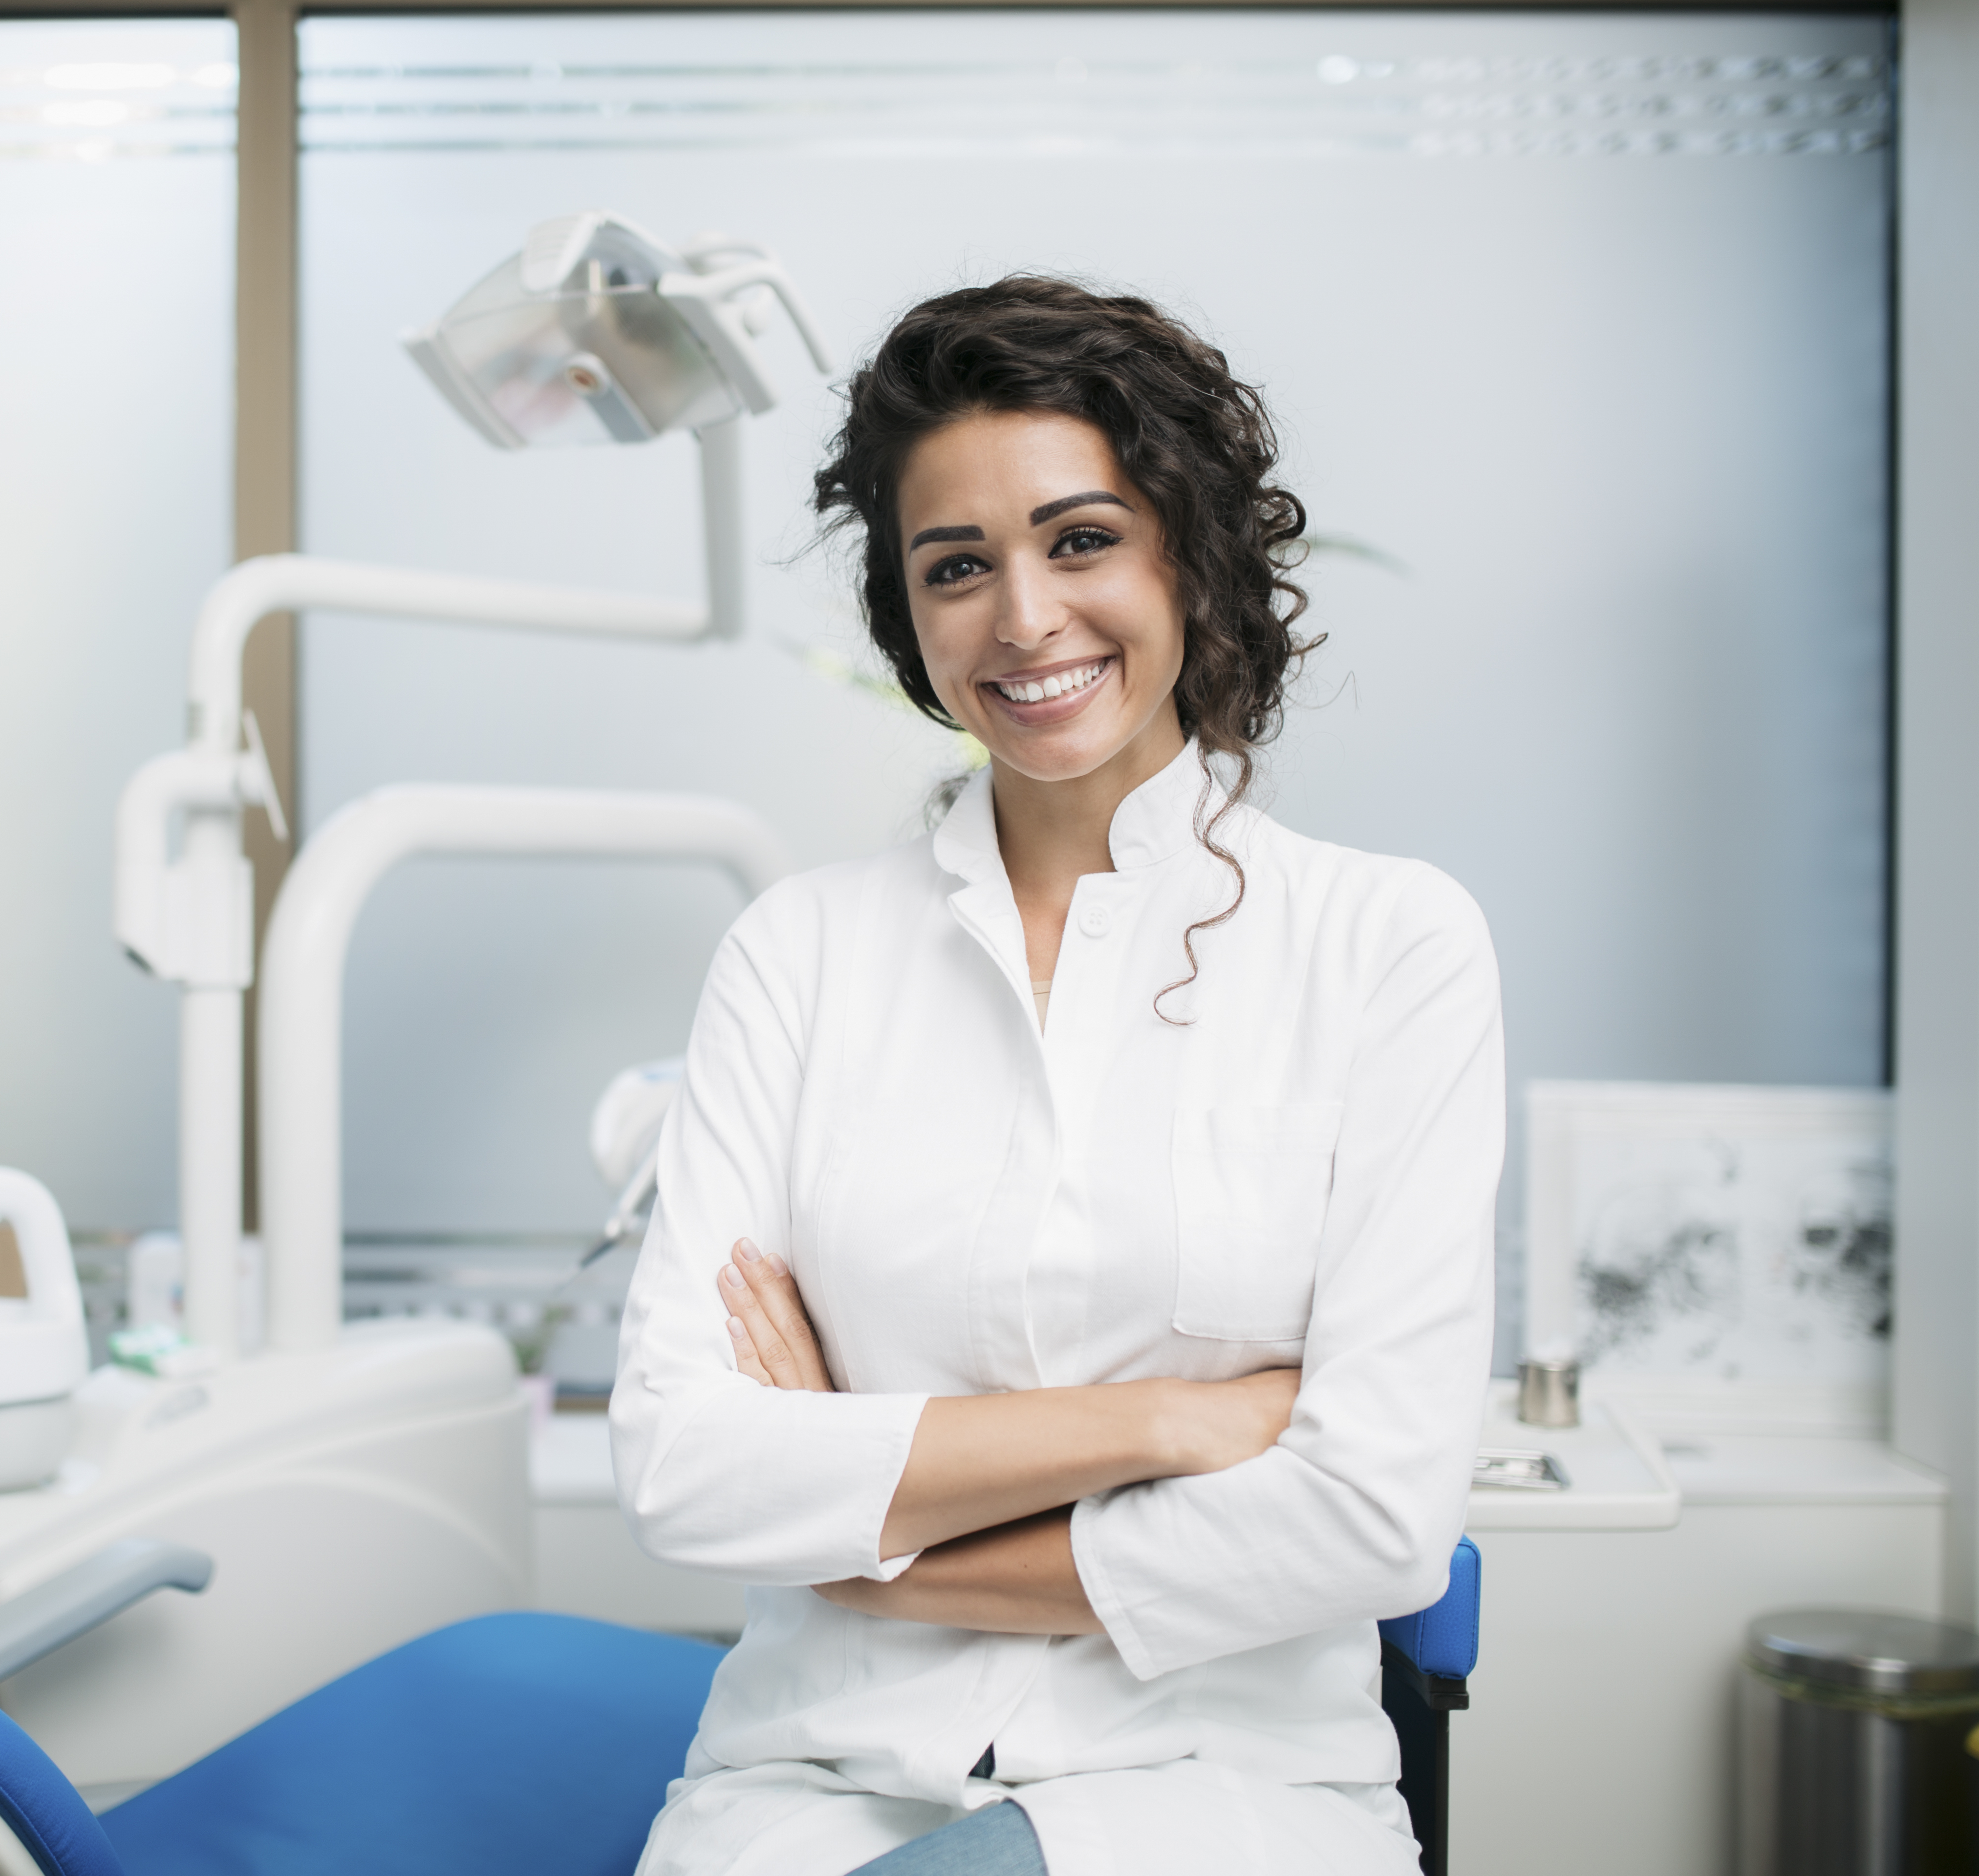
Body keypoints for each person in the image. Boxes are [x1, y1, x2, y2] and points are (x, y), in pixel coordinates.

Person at [609, 276, 1504, 1876]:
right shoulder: (798, 955)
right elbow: (685, 1471)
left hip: (1217, 1795)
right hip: (804, 1787)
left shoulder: (1388, 948)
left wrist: (869, 1535)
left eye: (1081, 539)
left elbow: (1374, 1515)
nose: (1023, 620)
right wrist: (1169, 1420)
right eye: (958, 567)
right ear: (911, 616)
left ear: (1188, 553)